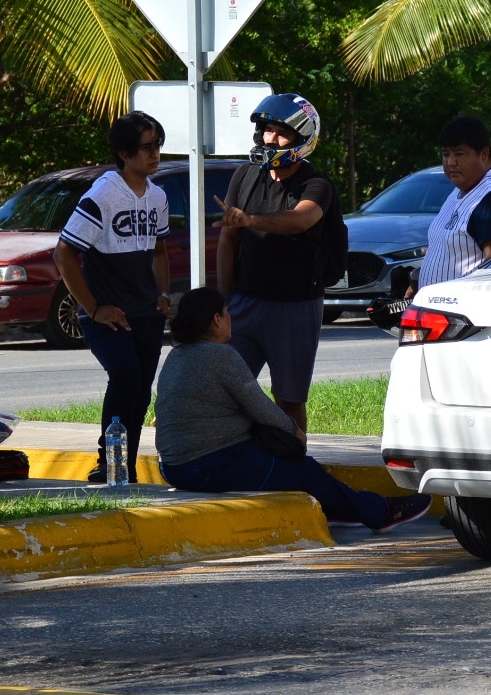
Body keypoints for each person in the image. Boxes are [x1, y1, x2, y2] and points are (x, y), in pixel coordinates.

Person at [156, 287, 431, 530]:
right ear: (216, 320)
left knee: (291, 467)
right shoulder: (222, 355)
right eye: (227, 314)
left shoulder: (176, 356)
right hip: (207, 465)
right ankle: (380, 513)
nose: (231, 320)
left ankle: (339, 509)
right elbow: (260, 406)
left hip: (171, 467)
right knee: (304, 470)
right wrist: (294, 430)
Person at [54, 111, 172, 483]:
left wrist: (163, 293)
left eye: (158, 146)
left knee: (140, 392)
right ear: (123, 153)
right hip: (109, 315)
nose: (154, 155)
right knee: (124, 375)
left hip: (146, 313)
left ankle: (127, 466)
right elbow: (64, 253)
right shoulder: (102, 195)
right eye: (146, 148)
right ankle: (109, 461)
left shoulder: (158, 196)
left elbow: (159, 250)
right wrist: (93, 307)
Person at [214, 93, 334, 435]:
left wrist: (250, 220)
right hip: (245, 303)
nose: (270, 139)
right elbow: (228, 239)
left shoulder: (317, 184)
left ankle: (296, 465)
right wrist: (225, 300)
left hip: (295, 306)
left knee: (289, 398)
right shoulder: (245, 175)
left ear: (301, 138)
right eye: (267, 130)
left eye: (281, 132)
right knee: (226, 391)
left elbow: (299, 220)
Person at [414, 114, 491, 290]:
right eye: (446, 154)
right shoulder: (462, 190)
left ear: (483, 154)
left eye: (459, 154)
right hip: (438, 310)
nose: (451, 162)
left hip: (466, 313)